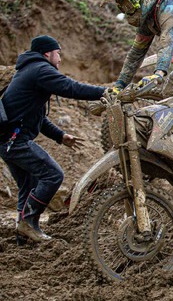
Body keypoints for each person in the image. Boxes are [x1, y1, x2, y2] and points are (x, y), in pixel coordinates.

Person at [0, 36, 105, 244]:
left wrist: (60, 136)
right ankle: (28, 223)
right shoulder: (40, 69)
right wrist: (107, 92)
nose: (60, 58)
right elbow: (71, 88)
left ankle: (24, 236)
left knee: (28, 185)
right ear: (47, 53)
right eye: (58, 53)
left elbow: (37, 115)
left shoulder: (29, 70)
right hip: (15, 141)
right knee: (52, 175)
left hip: (7, 141)